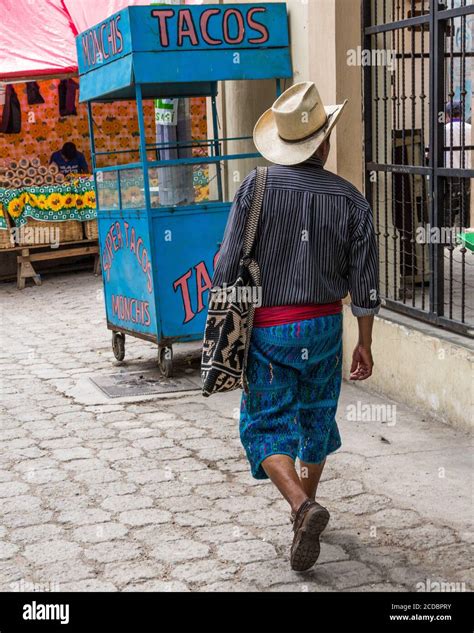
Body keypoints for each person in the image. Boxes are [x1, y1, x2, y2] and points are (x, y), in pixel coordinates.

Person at [212, 82, 380, 572]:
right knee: (315, 422)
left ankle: (302, 508)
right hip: (326, 330)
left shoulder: (254, 188)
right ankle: (304, 510)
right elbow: (365, 281)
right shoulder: (351, 199)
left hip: (270, 331)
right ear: (323, 142)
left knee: (264, 425)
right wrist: (365, 342)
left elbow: (226, 268)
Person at [444, 101, 471, 228]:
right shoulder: (470, 128)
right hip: (468, 174)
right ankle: (465, 240)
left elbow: (429, 153)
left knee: (448, 209)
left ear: (448, 115)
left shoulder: (443, 130)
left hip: (449, 174)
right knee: (466, 209)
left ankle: (445, 242)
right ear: (461, 114)